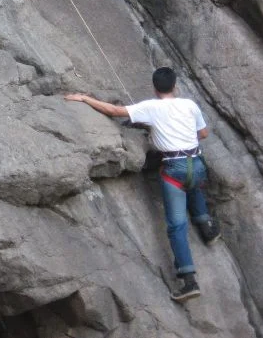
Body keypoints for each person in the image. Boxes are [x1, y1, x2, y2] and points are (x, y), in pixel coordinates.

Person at [64, 67, 220, 303]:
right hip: (196, 165)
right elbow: (204, 133)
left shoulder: (150, 107)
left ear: (155, 88)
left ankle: (189, 281)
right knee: (193, 182)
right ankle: (207, 226)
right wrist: (179, 134)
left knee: (177, 225)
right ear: (175, 86)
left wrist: (84, 98)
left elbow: (115, 111)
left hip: (173, 170)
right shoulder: (190, 105)